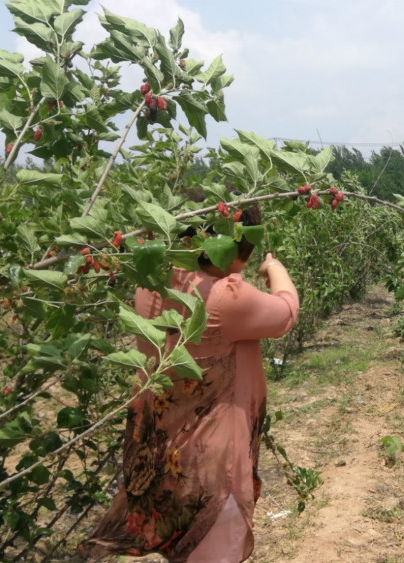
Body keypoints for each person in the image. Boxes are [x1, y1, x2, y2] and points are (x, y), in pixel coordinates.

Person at [78, 205, 299, 563]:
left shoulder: (153, 281)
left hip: (162, 446)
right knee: (210, 548)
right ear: (236, 246)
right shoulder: (226, 297)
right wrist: (274, 267)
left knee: (180, 539)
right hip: (210, 457)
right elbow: (286, 311)